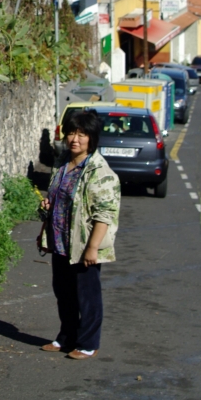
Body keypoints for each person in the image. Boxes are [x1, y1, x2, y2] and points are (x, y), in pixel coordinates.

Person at [37, 110, 121, 360]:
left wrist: (92, 248)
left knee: (87, 296)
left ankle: (88, 343)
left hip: (83, 244)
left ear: (92, 138)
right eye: (72, 133)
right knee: (63, 293)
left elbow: (104, 214)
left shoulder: (99, 171)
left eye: (82, 134)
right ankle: (66, 337)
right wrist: (46, 207)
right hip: (61, 241)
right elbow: (58, 198)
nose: (75, 139)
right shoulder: (62, 163)